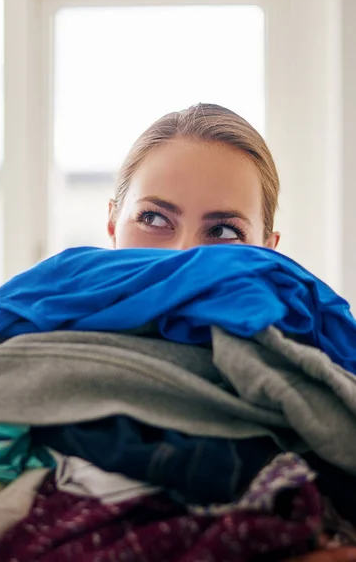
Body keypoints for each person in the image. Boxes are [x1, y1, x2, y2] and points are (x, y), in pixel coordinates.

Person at [107, 103, 356, 562]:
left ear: (268, 251)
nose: (184, 254)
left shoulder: (317, 368)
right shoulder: (22, 341)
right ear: (113, 225)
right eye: (155, 219)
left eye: (222, 231)